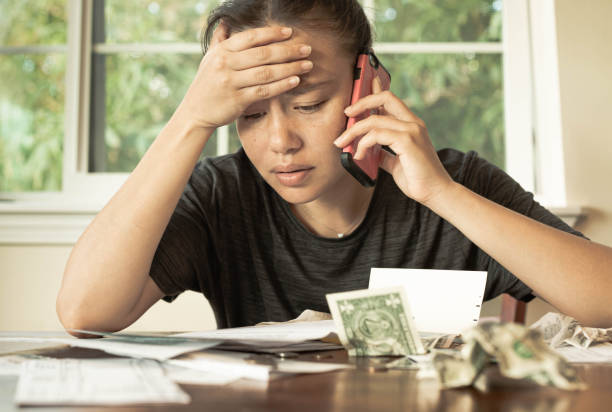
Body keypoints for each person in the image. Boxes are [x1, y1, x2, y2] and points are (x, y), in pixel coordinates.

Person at [57, 0, 612, 336]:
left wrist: (441, 194)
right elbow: (85, 312)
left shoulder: (455, 184)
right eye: (248, 114)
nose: (280, 141)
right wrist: (191, 120)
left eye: (308, 105)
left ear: (369, 84)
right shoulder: (222, 196)